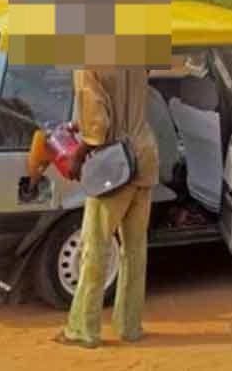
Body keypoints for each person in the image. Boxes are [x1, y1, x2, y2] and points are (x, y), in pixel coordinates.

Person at [53, 69, 159, 349]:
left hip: (116, 164)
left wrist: (78, 155)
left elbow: (97, 124)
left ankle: (83, 330)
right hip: (145, 157)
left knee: (95, 248)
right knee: (135, 248)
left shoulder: (88, 60)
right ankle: (130, 326)